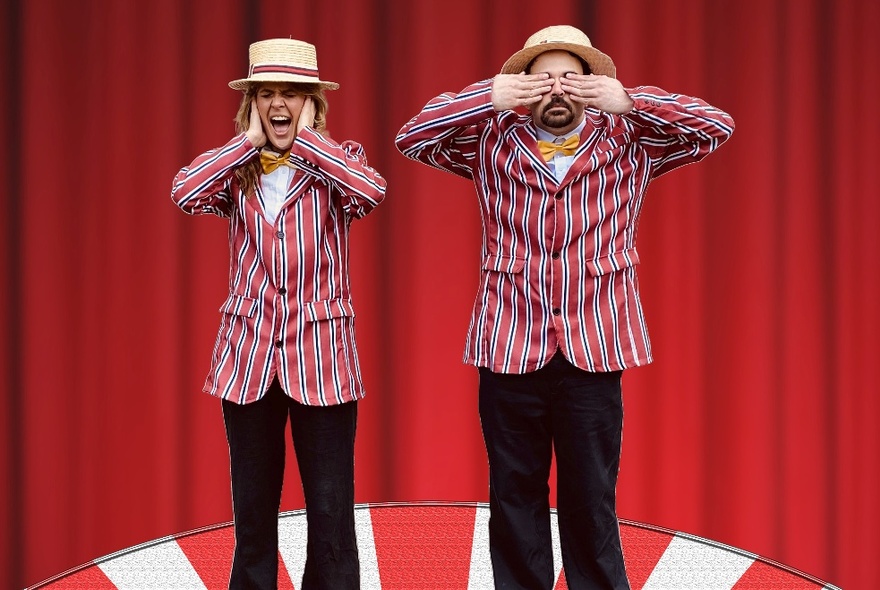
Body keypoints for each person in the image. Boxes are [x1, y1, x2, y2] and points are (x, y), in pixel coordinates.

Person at [395, 25, 734, 590]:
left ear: (594, 86)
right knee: (513, 494)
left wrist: (633, 101)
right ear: (521, 88)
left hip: (594, 347)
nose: (557, 90)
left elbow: (715, 126)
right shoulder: (490, 140)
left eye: (571, 78)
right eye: (542, 79)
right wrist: (488, 96)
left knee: (592, 496)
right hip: (507, 345)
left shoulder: (631, 141)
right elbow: (413, 136)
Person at [172, 38, 386, 590]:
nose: (278, 104)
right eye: (267, 93)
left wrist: (310, 142)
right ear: (252, 105)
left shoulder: (337, 166)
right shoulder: (236, 171)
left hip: (324, 361)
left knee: (332, 516)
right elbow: (184, 190)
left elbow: (371, 191)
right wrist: (246, 143)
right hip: (247, 362)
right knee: (252, 515)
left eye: (292, 93)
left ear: (312, 102)